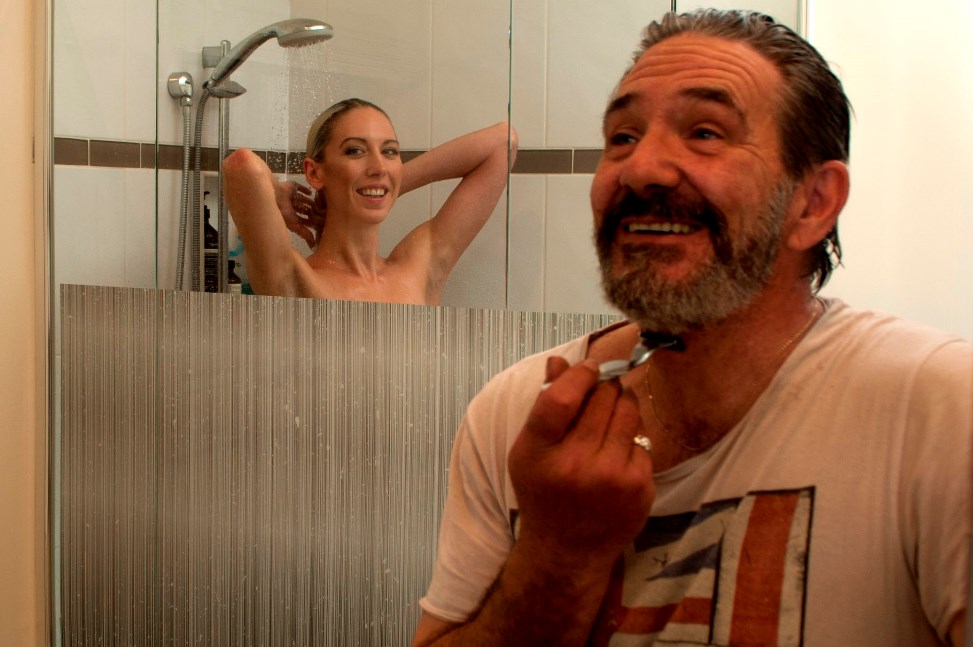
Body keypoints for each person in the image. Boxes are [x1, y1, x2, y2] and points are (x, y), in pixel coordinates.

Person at [413, 9, 969, 647]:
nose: (640, 168)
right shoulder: (517, 414)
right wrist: (555, 556)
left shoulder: (937, 415)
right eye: (622, 137)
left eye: (705, 133)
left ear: (813, 203)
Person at [223, 98, 517, 304]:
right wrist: (278, 193)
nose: (378, 165)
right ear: (314, 172)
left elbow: (504, 142)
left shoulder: (418, 270)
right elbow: (241, 165)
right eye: (355, 151)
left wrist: (388, 186)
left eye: (390, 152)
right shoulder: (294, 278)